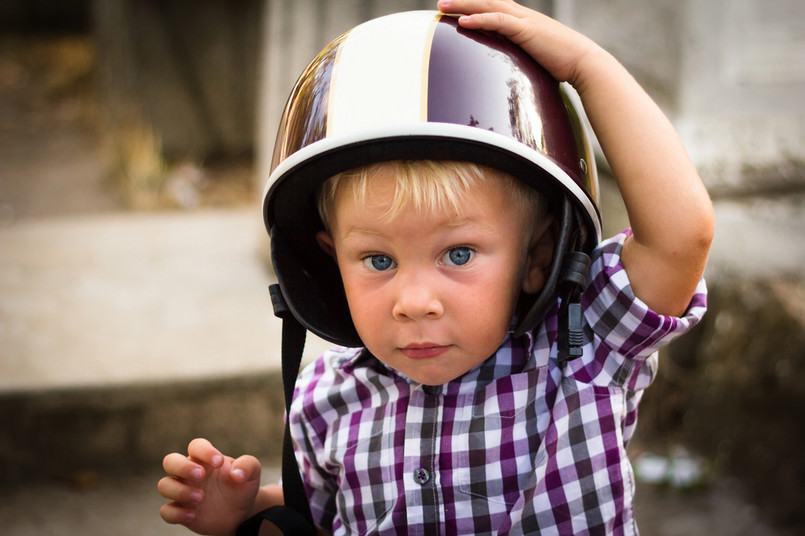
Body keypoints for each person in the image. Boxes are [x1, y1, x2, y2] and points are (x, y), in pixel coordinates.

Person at [158, 0, 714, 534]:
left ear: (537, 257)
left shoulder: (584, 348)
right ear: (332, 263)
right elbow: (326, 516)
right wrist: (248, 512)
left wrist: (589, 68)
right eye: (378, 260)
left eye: (458, 254)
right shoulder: (325, 399)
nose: (414, 301)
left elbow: (681, 236)